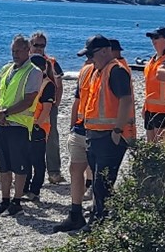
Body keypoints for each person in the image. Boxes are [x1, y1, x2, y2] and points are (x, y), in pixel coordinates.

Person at [82, 34, 136, 223]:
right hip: (95, 135)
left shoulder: (116, 70)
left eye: (92, 54)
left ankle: (100, 222)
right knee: (98, 182)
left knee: (102, 183)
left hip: (109, 137)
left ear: (105, 51)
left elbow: (126, 100)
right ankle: (98, 218)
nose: (89, 59)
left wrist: (118, 131)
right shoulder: (99, 71)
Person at [0, 35, 42, 216]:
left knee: (19, 165)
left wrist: (4, 113)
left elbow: (28, 100)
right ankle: (4, 200)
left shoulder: (34, 72)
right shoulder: (6, 69)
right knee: (3, 165)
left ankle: (17, 201)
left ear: (28, 50)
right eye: (13, 51)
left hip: (19, 125)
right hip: (2, 124)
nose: (15, 54)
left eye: (19, 50)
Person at [53, 55, 96, 232]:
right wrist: (72, 126)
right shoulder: (85, 72)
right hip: (80, 129)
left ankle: (96, 213)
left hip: (100, 132)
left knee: (98, 172)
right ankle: (76, 213)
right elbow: (77, 101)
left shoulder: (113, 72)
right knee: (75, 170)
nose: (87, 60)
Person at [30, 31, 65, 185]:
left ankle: (54, 172)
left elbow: (59, 85)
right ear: (30, 45)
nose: (39, 48)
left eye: (42, 45)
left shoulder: (51, 62)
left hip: (47, 105)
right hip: (28, 107)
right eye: (36, 45)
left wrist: (55, 104)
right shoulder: (25, 61)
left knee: (51, 138)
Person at [25, 53, 56, 203]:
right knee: (25, 158)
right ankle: (24, 187)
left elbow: (46, 109)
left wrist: (37, 125)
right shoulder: (29, 81)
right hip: (25, 125)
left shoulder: (47, 84)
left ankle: (35, 189)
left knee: (37, 160)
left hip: (39, 127)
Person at [143, 27, 165, 143]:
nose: (153, 40)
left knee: (161, 145)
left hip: (164, 109)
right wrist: (144, 107)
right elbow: (149, 86)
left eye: (156, 37)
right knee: (150, 145)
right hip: (149, 109)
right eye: (151, 38)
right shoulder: (153, 59)